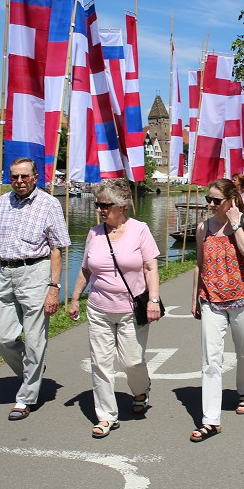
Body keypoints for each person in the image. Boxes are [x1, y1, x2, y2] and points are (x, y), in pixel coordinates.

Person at [0, 157, 70, 421]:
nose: (19, 181)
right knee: (2, 338)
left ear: (35, 177)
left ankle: (25, 399)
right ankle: (33, 371)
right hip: (4, 273)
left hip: (36, 272)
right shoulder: (3, 201)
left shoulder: (49, 204)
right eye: (14, 176)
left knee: (35, 339)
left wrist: (53, 288)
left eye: (24, 176)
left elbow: (57, 249)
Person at [68, 179, 162, 438]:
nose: (99, 209)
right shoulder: (94, 233)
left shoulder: (140, 230)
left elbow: (151, 267)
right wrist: (75, 298)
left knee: (132, 361)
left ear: (121, 206)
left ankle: (141, 390)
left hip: (131, 308)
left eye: (105, 204)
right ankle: (107, 416)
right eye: (98, 204)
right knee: (100, 363)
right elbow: (86, 269)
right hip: (99, 308)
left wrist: (154, 300)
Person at [190, 178, 244, 442]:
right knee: (210, 360)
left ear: (231, 199)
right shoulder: (203, 227)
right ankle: (210, 420)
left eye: (216, 200)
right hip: (211, 299)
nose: (210, 204)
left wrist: (235, 223)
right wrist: (195, 297)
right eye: (208, 199)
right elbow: (199, 263)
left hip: (243, 298)